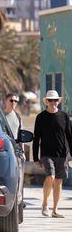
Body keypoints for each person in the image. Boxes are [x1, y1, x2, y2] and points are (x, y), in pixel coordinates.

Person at [33, 90, 72, 218]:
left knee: (59, 181)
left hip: (62, 154)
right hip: (46, 154)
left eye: (55, 100)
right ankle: (45, 204)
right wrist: (35, 158)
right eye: (51, 100)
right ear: (46, 102)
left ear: (58, 102)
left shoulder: (64, 116)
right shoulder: (41, 117)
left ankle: (55, 210)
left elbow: (70, 137)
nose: (53, 102)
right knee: (51, 177)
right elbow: (36, 138)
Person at [3, 93, 25, 158]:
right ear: (5, 101)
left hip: (16, 150)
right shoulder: (0, 116)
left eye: (16, 101)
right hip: (4, 149)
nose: (14, 103)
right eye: (11, 100)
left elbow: (21, 135)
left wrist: (23, 152)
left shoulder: (18, 116)